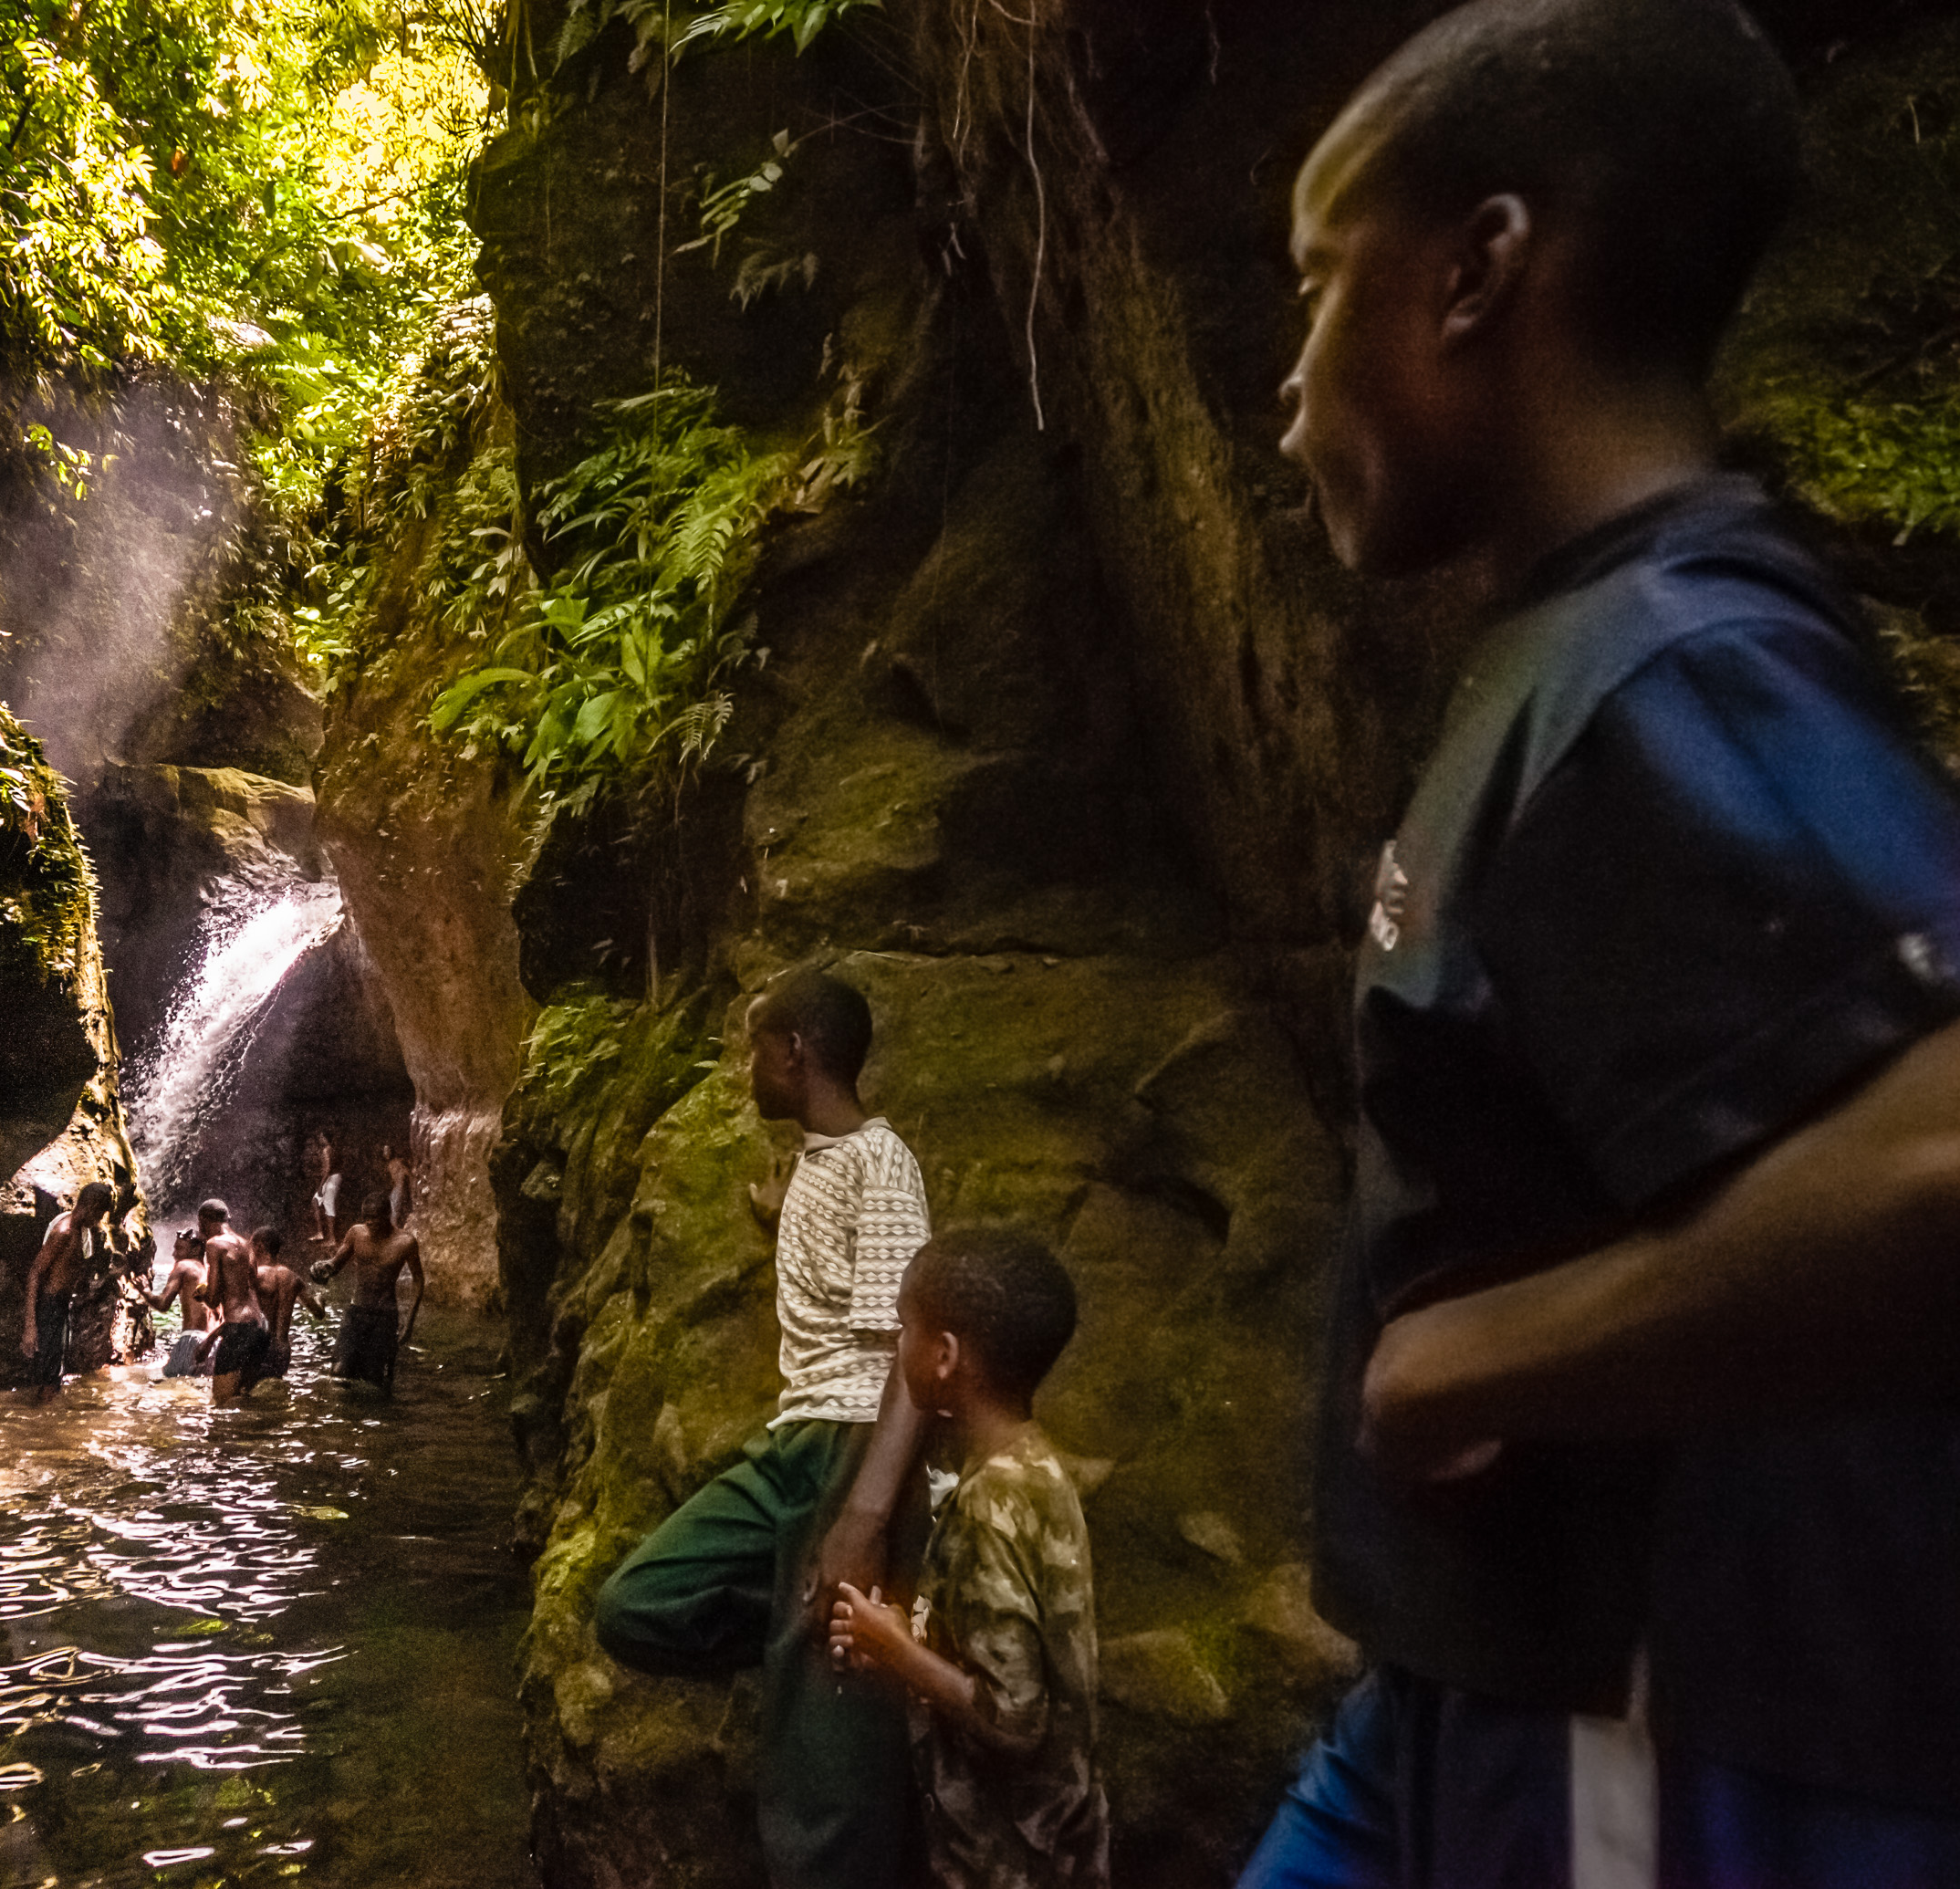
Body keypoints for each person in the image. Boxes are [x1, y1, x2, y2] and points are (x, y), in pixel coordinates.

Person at [1245, 4, 1960, 1882]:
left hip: (1665, 1718)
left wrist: (1458, 1369)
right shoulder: (1568, 661)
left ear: (1477, 269)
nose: (1287, 385)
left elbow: (1937, 1156)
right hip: (1474, 1682)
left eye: (1319, 291)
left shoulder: (1670, 665)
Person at [591, 968, 933, 1889]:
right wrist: (781, 1219)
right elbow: (838, 1275)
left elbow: (908, 1351)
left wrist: (865, 1513)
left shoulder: (879, 1161)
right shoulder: (821, 1166)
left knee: (836, 1783)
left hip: (851, 1447)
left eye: (755, 1049)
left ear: (796, 1052)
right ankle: (805, 1641)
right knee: (635, 1606)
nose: (747, 1069)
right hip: (793, 1443)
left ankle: (835, 1675)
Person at [829, 1228, 1106, 1889]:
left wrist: (894, 1650)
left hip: (1008, 1859)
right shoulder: (1034, 1468)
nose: (899, 1348)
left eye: (905, 1330)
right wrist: (901, 1642)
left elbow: (1013, 1721)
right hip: (1059, 1845)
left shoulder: (990, 1502)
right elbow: (1007, 1653)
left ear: (945, 1355)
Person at [21, 1181, 120, 1400]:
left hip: (61, 1306)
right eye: (101, 1213)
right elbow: (35, 1273)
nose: (101, 1219)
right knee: (50, 1377)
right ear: (91, 1207)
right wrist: (30, 1326)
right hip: (49, 1306)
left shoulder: (80, 1232)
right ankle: (40, 1422)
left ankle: (43, 1423)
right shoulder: (63, 1232)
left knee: (55, 1374)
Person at [330, 1185, 423, 1394]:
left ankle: (379, 1421)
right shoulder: (356, 1234)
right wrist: (324, 1268)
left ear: (388, 1215)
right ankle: (345, 1422)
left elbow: (418, 1280)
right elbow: (335, 1265)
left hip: (385, 1315)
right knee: (339, 1371)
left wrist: (409, 1322)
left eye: (375, 1217)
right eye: (366, 1217)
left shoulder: (406, 1242)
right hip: (356, 1311)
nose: (369, 1222)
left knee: (376, 1379)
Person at [192, 1200, 273, 1404]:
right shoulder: (247, 1244)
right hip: (259, 1328)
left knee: (221, 1404)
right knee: (245, 1399)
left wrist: (203, 1295)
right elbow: (254, 1286)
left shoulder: (214, 1245)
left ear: (203, 1220)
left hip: (237, 1331)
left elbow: (214, 1298)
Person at [250, 1226, 328, 1383]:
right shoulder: (294, 1279)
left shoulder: (257, 1276)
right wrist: (320, 1299)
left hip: (261, 1344)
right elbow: (319, 1313)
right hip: (283, 1349)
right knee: (274, 1389)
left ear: (259, 1247)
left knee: (249, 1392)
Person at [149, 1221, 219, 1378]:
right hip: (213, 1344)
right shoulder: (212, 1273)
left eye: (179, 1248)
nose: (174, 1254)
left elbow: (163, 1304)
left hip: (192, 1340)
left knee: (171, 1388)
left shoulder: (184, 1266)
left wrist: (143, 1291)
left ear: (196, 1249)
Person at [305, 1128, 339, 1245]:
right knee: (315, 1201)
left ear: (325, 1138)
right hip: (332, 1178)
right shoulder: (330, 1149)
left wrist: (320, 1185)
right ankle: (320, 1233)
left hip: (332, 1179)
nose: (320, 1139)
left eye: (321, 1137)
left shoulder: (326, 1150)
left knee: (329, 1207)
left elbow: (328, 1169)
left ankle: (332, 1239)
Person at [383, 1144, 412, 1232]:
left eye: (387, 1151)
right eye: (384, 1151)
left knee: (395, 1210)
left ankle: (393, 1230)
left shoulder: (399, 1162)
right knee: (393, 1209)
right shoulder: (389, 1165)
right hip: (396, 1189)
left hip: (400, 1189)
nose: (385, 1154)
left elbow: (408, 1174)